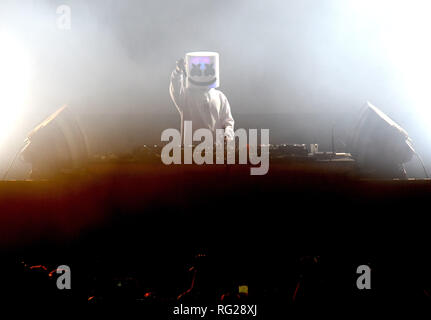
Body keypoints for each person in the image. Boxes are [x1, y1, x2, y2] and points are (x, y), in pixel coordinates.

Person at [169, 52, 234, 143]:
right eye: (198, 72)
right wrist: (178, 71)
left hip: (216, 150)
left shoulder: (220, 96)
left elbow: (228, 122)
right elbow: (175, 87)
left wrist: (227, 135)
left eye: (208, 71)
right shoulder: (186, 95)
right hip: (192, 150)